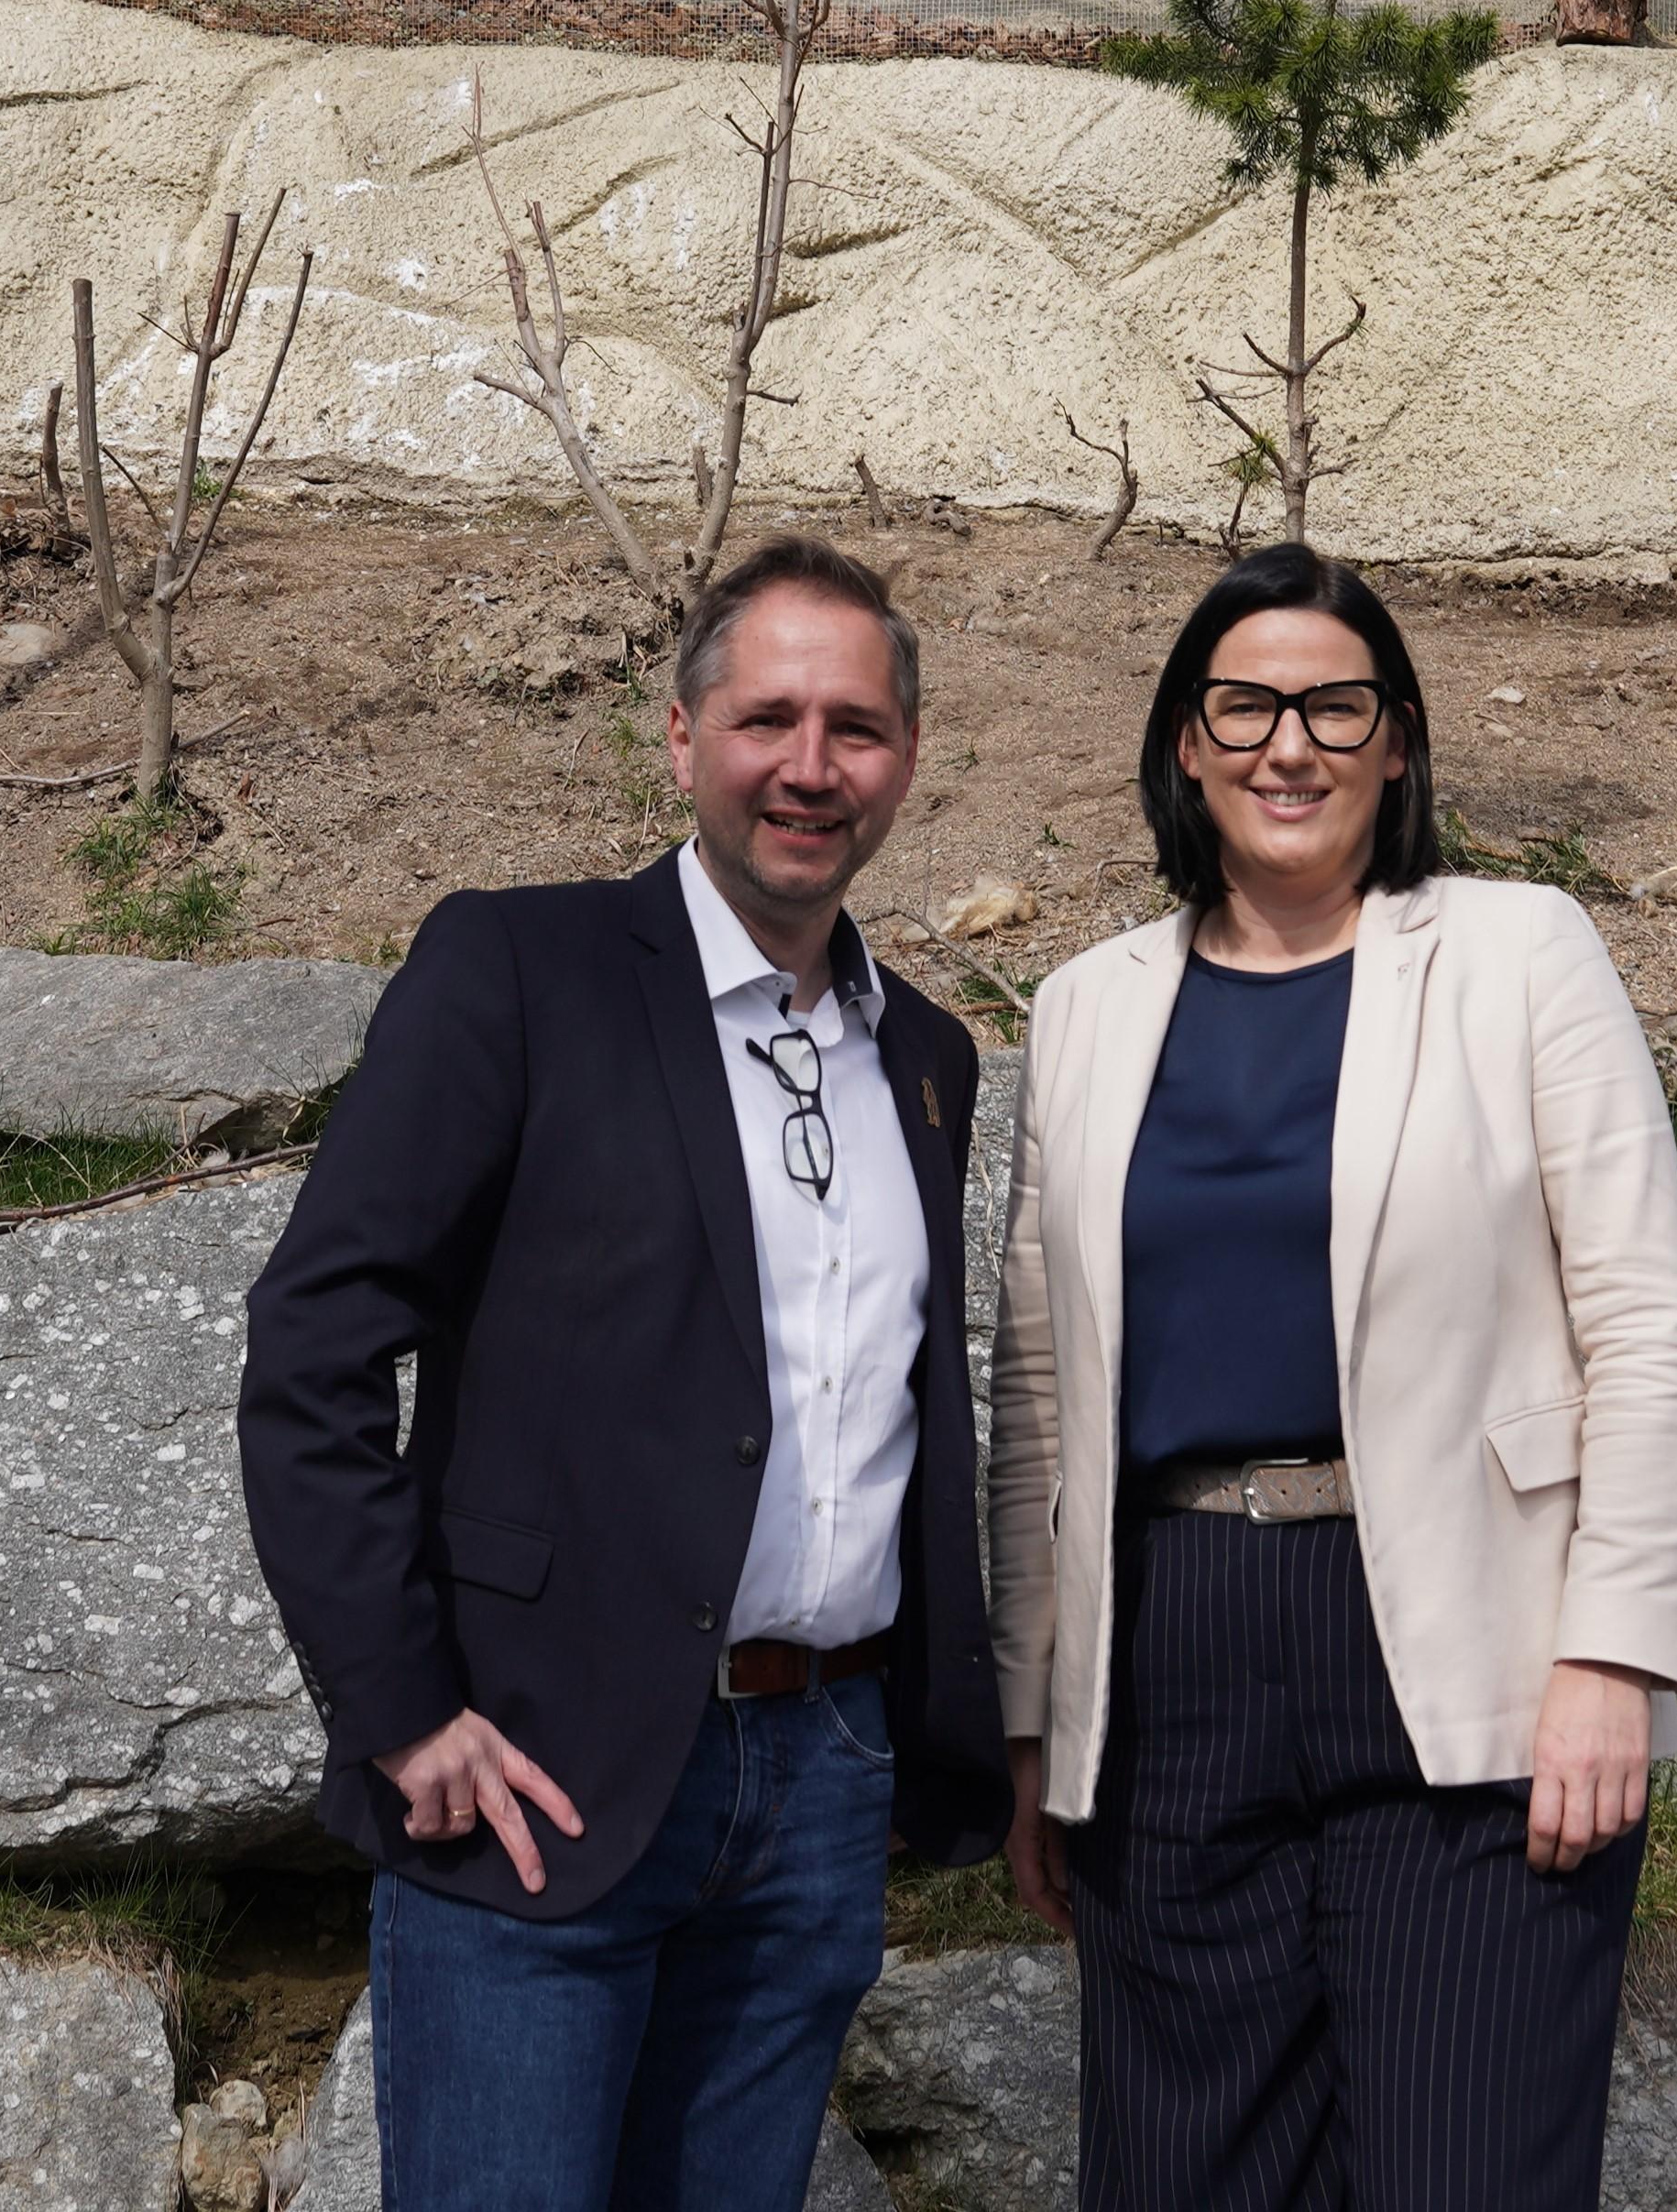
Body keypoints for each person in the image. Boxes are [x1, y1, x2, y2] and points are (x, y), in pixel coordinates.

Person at [236, 535, 1008, 2212]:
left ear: (907, 761)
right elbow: (312, 1347)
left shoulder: (928, 1058)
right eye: (767, 719)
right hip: (538, 1768)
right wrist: (399, 1708)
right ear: (680, 737)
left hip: (822, 1787)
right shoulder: (519, 970)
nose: (811, 767)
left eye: (856, 729)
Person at [984, 543, 1677, 2212]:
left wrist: (1609, 1653)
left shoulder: (1522, 954)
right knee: (1180, 2177)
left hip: (1465, 1655)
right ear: (1184, 742)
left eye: (1334, 705)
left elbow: (1645, 1327)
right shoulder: (1086, 1006)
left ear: (1395, 743)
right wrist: (1034, 1717)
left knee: (1464, 2169)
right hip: (1167, 1652)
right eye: (1242, 704)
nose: (1286, 744)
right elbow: (1036, 1390)